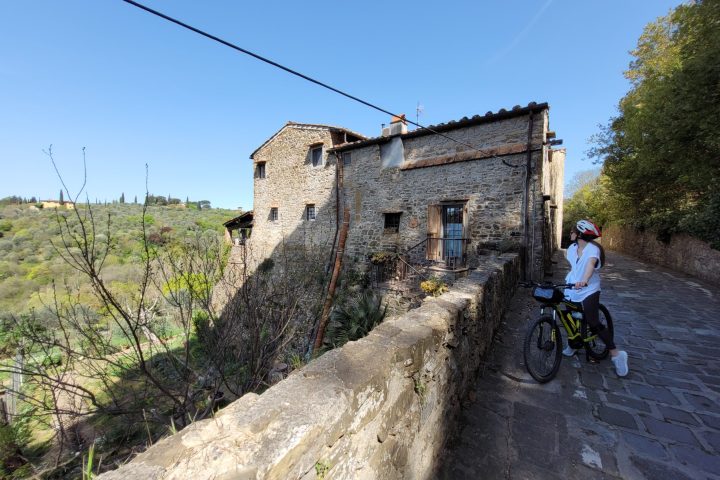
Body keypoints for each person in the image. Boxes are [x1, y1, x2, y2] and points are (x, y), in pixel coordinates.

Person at [563, 219, 629, 377]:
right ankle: (574, 343)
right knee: (568, 315)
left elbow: (590, 265)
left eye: (572, 231)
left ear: (580, 234)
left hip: (588, 288)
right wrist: (575, 280)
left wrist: (584, 280)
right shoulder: (571, 248)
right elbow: (575, 266)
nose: (570, 233)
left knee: (593, 321)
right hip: (572, 287)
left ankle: (616, 354)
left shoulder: (593, 249)